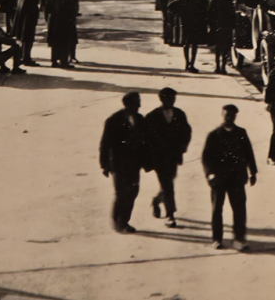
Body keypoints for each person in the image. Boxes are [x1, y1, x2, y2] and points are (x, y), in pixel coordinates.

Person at [202, 103, 257, 250]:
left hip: (237, 178)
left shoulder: (241, 133)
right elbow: (206, 158)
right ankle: (217, 239)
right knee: (217, 210)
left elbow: (249, 153)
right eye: (227, 115)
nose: (229, 118)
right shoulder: (214, 135)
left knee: (239, 210)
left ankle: (239, 239)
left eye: (232, 115)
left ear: (235, 116)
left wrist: (253, 172)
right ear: (222, 115)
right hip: (219, 179)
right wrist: (210, 174)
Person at [99, 92, 150, 233]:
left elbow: (145, 141)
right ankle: (119, 222)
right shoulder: (113, 120)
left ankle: (124, 221)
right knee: (121, 193)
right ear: (127, 104)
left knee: (133, 192)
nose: (139, 105)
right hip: (119, 165)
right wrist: (105, 165)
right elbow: (105, 144)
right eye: (136, 102)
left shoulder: (140, 119)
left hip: (134, 164)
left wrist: (147, 161)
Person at [146, 87, 192, 228]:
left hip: (173, 156)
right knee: (168, 184)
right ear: (161, 99)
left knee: (168, 182)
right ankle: (170, 215)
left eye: (173, 99)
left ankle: (156, 200)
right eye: (168, 99)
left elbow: (187, 130)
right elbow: (146, 137)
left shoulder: (179, 114)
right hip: (159, 157)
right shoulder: (152, 116)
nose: (171, 101)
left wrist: (184, 145)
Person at [169, 0, 208, 72]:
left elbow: (170, 6)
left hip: (185, 23)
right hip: (196, 24)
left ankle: (187, 63)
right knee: (194, 45)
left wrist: (178, 15)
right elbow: (205, 11)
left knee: (186, 44)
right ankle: (192, 64)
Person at [11, 0, 41, 65]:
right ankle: (26, 58)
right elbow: (33, 7)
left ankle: (24, 57)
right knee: (28, 40)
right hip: (28, 19)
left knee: (24, 39)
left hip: (21, 17)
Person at [206, 0, 236, 74]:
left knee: (218, 49)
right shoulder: (229, 2)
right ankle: (223, 68)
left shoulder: (214, 1)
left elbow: (209, 14)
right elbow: (233, 16)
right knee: (225, 49)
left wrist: (210, 25)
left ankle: (217, 67)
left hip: (216, 27)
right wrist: (233, 26)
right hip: (227, 28)